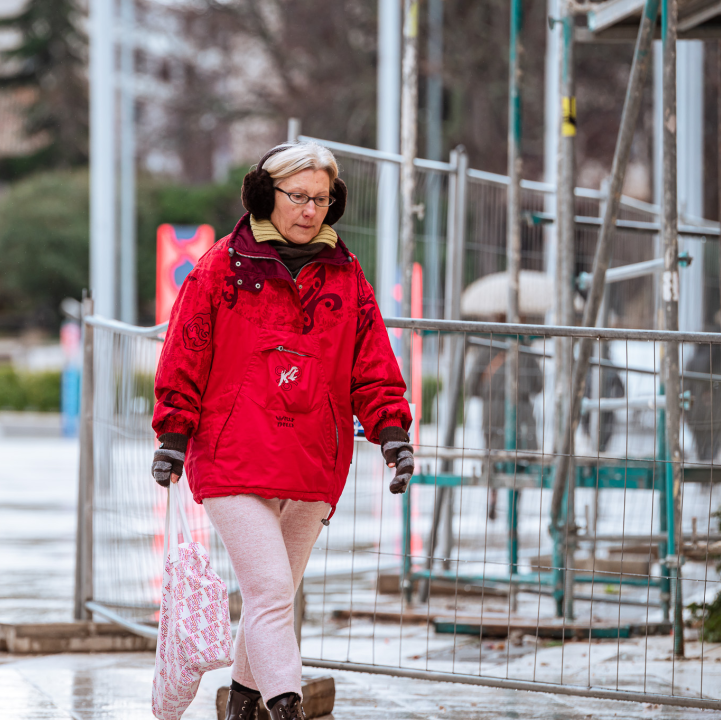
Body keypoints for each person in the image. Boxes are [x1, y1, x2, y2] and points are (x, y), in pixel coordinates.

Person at [150, 142, 413, 720]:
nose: (310, 210)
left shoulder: (346, 275)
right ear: (267, 195)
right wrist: (172, 436)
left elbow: (371, 362)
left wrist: (392, 432)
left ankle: (243, 705)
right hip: (232, 452)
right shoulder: (222, 266)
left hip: (315, 457)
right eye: (298, 196)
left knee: (273, 598)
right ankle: (285, 709)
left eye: (321, 198)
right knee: (271, 592)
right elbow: (185, 352)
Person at [465, 328, 543, 520]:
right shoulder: (525, 349)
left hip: (493, 410)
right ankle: (514, 506)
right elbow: (539, 385)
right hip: (521, 409)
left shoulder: (486, 347)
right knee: (520, 456)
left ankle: (493, 499)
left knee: (494, 455)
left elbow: (471, 386)